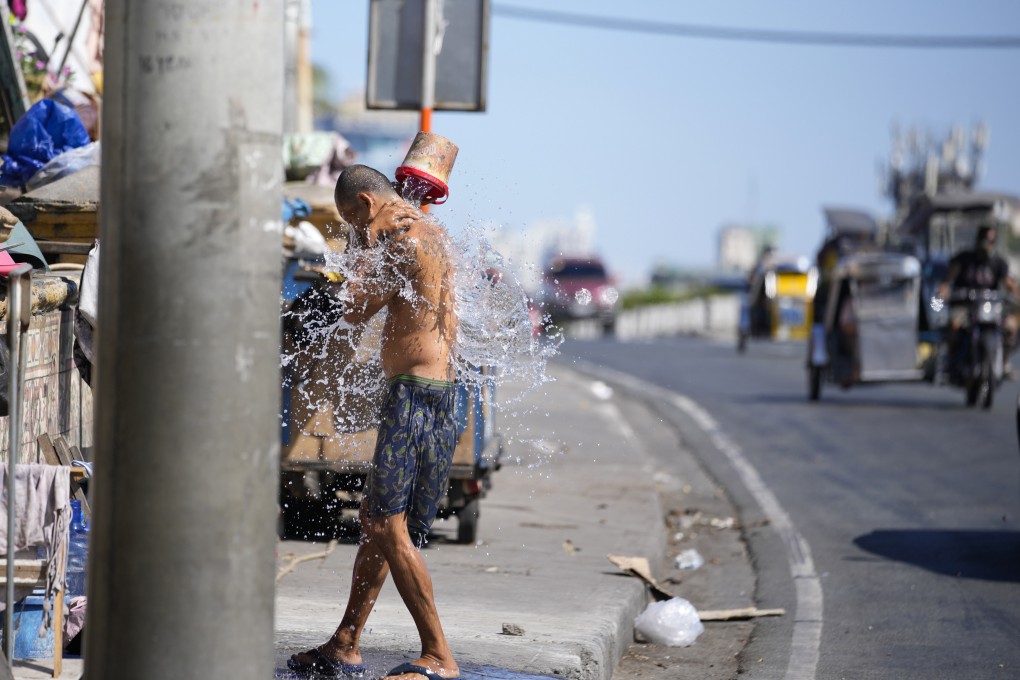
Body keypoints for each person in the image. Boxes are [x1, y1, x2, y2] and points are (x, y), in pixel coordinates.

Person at [288, 165, 461, 680]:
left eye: (350, 220)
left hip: (414, 399)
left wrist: (309, 307)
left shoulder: (403, 241)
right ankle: (346, 642)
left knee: (386, 524)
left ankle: (438, 655)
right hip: (440, 394)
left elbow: (355, 307)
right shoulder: (431, 233)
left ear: (366, 203)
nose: (353, 231)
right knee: (381, 524)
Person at [937, 224, 1019, 369]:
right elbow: (946, 282)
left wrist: (1016, 295)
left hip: (990, 307)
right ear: (977, 241)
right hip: (965, 305)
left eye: (991, 242)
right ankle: (950, 360)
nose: (987, 246)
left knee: (1011, 327)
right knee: (954, 325)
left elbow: (1009, 283)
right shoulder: (963, 259)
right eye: (984, 241)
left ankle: (1003, 363)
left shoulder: (998, 262)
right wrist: (942, 294)